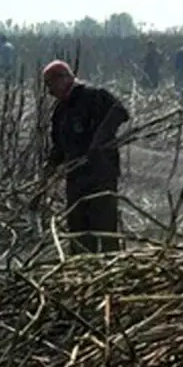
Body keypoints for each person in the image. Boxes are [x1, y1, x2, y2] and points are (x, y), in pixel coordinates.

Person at [43, 61, 130, 254]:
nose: (49, 92)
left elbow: (121, 113)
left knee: (105, 229)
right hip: (76, 178)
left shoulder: (94, 95)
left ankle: (112, 271)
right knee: (79, 232)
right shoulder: (60, 111)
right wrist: (49, 168)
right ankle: (82, 274)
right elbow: (59, 146)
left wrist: (99, 140)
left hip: (101, 176)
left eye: (51, 85)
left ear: (64, 78)